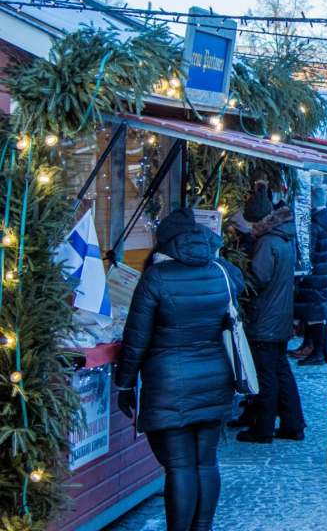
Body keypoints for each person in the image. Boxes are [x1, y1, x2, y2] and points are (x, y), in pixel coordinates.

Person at [115, 209, 243, 531]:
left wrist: (125, 384)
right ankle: (203, 527)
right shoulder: (222, 271)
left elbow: (136, 337)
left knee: (180, 466)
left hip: (169, 381)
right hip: (216, 375)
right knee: (206, 461)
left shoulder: (156, 277)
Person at [238, 184, 305, 444]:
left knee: (266, 375)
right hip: (279, 318)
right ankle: (293, 423)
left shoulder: (267, 242)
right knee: (280, 370)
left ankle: (262, 429)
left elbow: (258, 278)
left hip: (265, 319)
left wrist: (240, 276)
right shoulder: (283, 237)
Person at [291, 184, 327, 366]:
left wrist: (302, 269)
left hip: (315, 275)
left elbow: (307, 251)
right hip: (325, 272)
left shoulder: (314, 224)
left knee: (315, 314)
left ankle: (318, 351)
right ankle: (321, 350)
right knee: (319, 312)